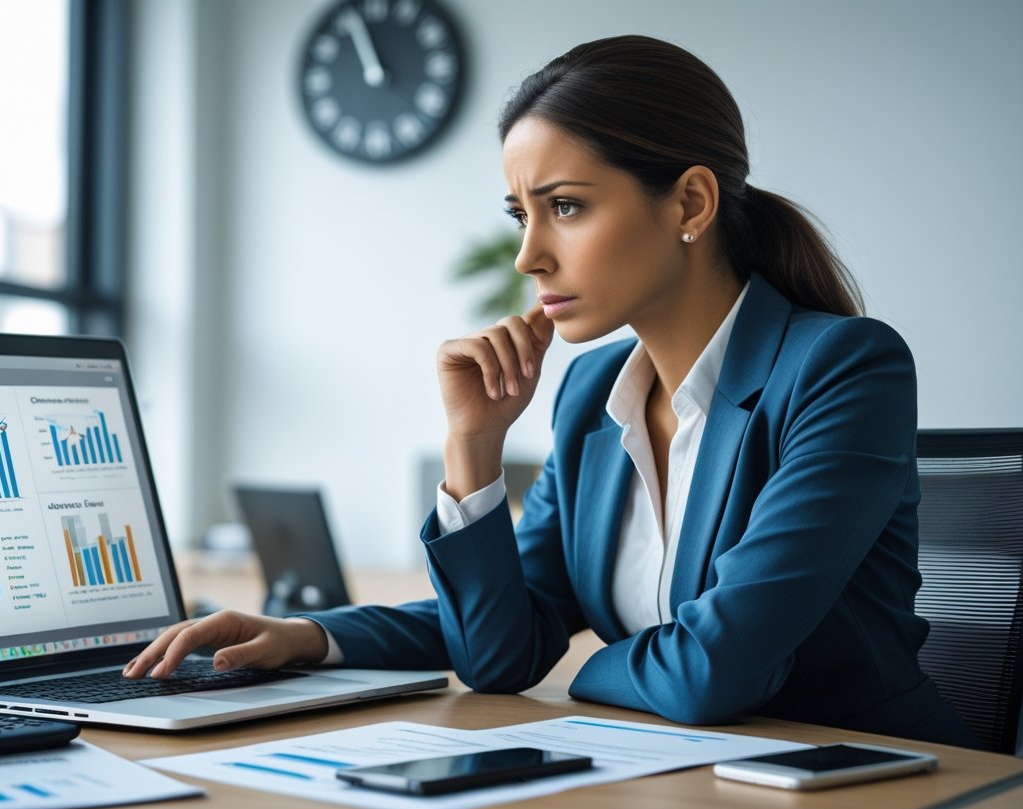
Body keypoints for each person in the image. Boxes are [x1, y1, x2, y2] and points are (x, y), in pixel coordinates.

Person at [124, 35, 978, 748]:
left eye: (565, 206)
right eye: (519, 215)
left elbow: (715, 670)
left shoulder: (840, 368)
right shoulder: (592, 395)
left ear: (689, 201)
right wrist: (470, 451)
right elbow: (503, 648)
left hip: (859, 779)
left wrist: (592, 663)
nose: (530, 255)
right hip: (679, 775)